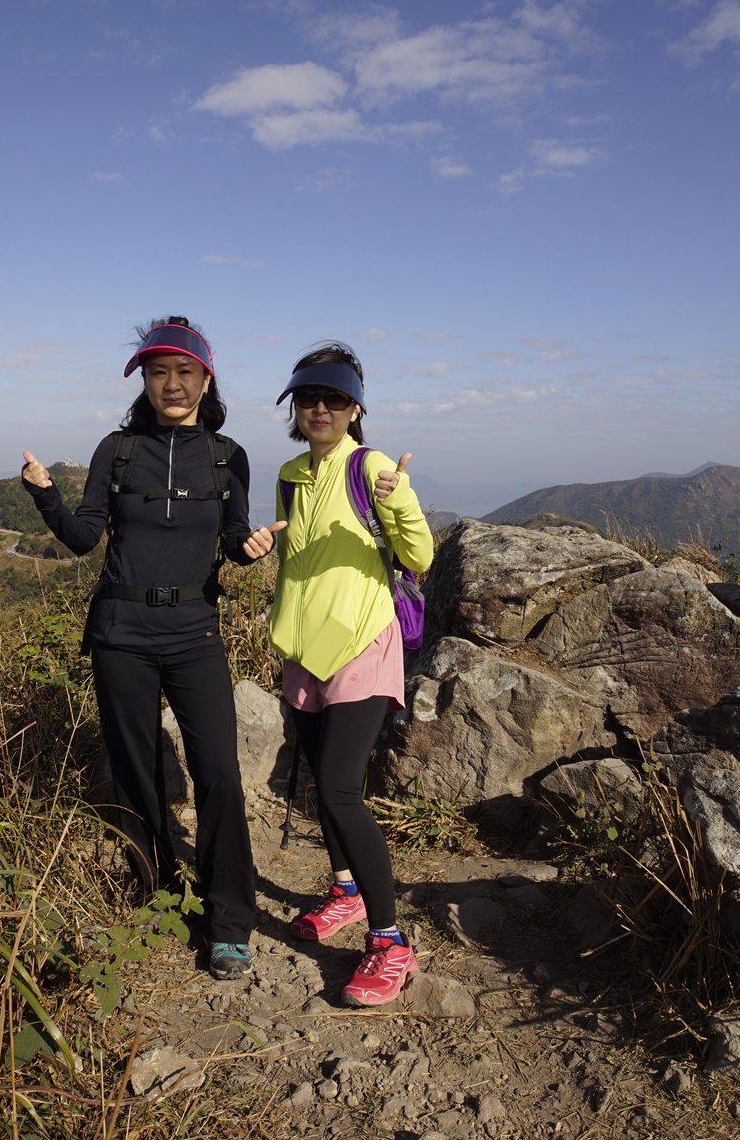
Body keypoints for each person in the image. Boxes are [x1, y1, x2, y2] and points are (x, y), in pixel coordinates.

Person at [20, 317, 283, 980]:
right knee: (135, 772)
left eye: (184, 372)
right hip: (122, 633)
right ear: (144, 380)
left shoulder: (227, 457)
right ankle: (156, 893)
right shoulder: (117, 450)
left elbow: (232, 539)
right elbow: (84, 537)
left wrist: (253, 548)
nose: (171, 383)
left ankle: (229, 921)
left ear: (206, 380)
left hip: (194, 632)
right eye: (158, 372)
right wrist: (45, 496)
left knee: (218, 773)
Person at [270, 343, 433, 1007]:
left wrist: (398, 502)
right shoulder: (290, 475)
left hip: (363, 642)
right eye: (309, 398)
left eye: (334, 399)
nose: (320, 409)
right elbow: (295, 559)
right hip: (303, 648)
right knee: (320, 779)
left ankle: (390, 942)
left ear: (355, 409)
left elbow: (419, 553)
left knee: (340, 790)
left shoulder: (371, 468)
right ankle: (346, 889)